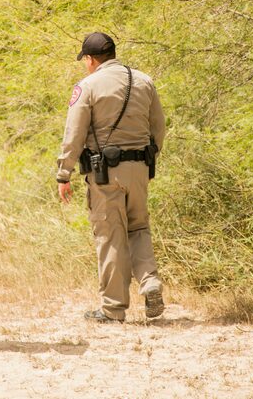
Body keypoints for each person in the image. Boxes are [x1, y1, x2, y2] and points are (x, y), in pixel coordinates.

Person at [57, 32, 166, 323]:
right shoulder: (144, 80)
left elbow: (74, 134)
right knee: (139, 227)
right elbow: (158, 127)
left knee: (110, 236)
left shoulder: (87, 86)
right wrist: (147, 160)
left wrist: (63, 172)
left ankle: (112, 308)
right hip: (140, 168)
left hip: (106, 174)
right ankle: (150, 281)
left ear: (91, 60)